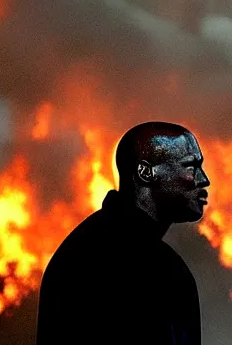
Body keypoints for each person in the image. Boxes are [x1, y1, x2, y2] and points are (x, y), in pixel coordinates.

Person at [36, 121, 210, 345]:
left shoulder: (165, 265)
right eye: (191, 167)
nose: (203, 179)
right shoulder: (92, 260)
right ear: (146, 172)